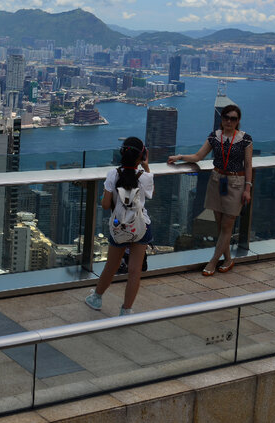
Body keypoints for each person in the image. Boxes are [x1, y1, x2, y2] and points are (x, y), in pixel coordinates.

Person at [167, 104, 253, 276]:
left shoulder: (245, 139)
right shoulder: (215, 136)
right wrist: (180, 157)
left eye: (233, 118)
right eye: (226, 117)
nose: (229, 121)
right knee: (221, 226)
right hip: (216, 181)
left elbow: (248, 165)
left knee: (227, 225)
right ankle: (228, 260)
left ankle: (213, 262)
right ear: (221, 119)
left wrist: (248, 188)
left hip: (236, 183)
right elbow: (199, 156)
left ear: (238, 121)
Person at [84, 137, 153, 316]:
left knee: (112, 266)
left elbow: (106, 205)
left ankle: (96, 298)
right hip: (140, 227)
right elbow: (150, 194)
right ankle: (126, 309)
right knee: (135, 270)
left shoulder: (113, 175)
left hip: (119, 228)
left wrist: (106, 196)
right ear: (141, 156)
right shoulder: (144, 177)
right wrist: (146, 167)